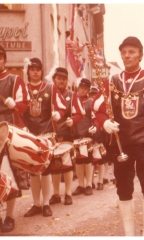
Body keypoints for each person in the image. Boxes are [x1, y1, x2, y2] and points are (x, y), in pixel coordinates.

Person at [92, 36, 144, 236]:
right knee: (123, 188)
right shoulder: (111, 81)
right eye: (124, 52)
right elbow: (97, 109)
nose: (127, 56)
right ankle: (129, 234)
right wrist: (105, 123)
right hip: (122, 145)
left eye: (132, 52)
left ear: (140, 55)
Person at [22, 58, 67, 217]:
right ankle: (36, 204)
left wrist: (57, 114)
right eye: (32, 69)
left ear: (42, 71)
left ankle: (46, 204)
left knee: (46, 169)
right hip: (29, 135)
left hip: (46, 134)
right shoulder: (23, 88)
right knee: (33, 170)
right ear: (28, 71)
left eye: (38, 69)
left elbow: (62, 108)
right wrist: (22, 127)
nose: (35, 72)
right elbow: (19, 110)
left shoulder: (50, 88)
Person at [0, 45, 30, 232]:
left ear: (4, 59)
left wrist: (15, 104)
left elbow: (25, 104)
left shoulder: (15, 80)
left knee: (8, 175)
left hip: (8, 131)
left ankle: (9, 216)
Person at [49, 67, 85, 206]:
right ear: (54, 80)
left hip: (66, 134)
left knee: (67, 165)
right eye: (59, 78)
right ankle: (56, 194)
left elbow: (80, 112)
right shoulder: (49, 93)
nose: (62, 81)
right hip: (51, 134)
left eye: (64, 79)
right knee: (54, 166)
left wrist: (73, 120)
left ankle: (68, 194)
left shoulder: (72, 95)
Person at [72, 78, 95, 196]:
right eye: (81, 88)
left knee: (88, 160)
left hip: (87, 134)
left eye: (85, 89)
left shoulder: (91, 102)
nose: (82, 90)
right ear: (78, 88)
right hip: (76, 134)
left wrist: (94, 127)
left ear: (88, 90)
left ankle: (89, 184)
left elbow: (94, 117)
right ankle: (80, 185)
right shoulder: (73, 100)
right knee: (79, 161)